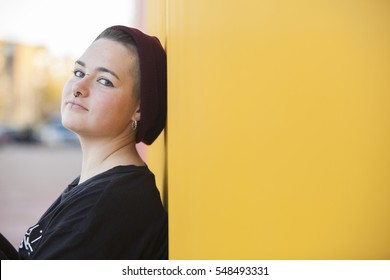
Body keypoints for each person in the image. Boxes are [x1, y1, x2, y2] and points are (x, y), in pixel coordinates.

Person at [0, 25, 168, 259]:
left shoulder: (106, 207)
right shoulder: (99, 187)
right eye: (79, 72)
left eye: (105, 81)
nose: (78, 88)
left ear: (139, 107)